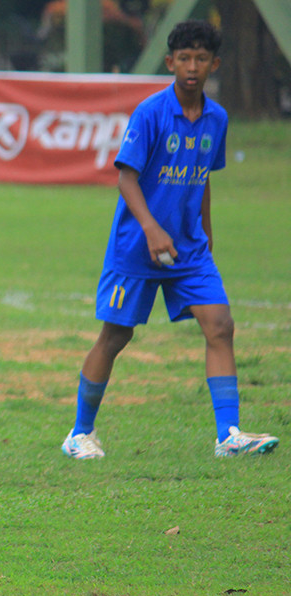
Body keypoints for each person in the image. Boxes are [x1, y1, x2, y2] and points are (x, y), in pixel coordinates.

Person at [61, 20, 278, 460]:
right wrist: (151, 228)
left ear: (214, 64)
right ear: (170, 63)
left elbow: (203, 180)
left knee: (220, 325)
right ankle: (79, 434)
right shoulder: (150, 113)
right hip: (137, 247)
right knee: (115, 337)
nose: (192, 67)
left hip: (189, 248)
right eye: (184, 58)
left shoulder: (217, 118)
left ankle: (229, 435)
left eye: (201, 58)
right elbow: (126, 178)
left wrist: (207, 234)